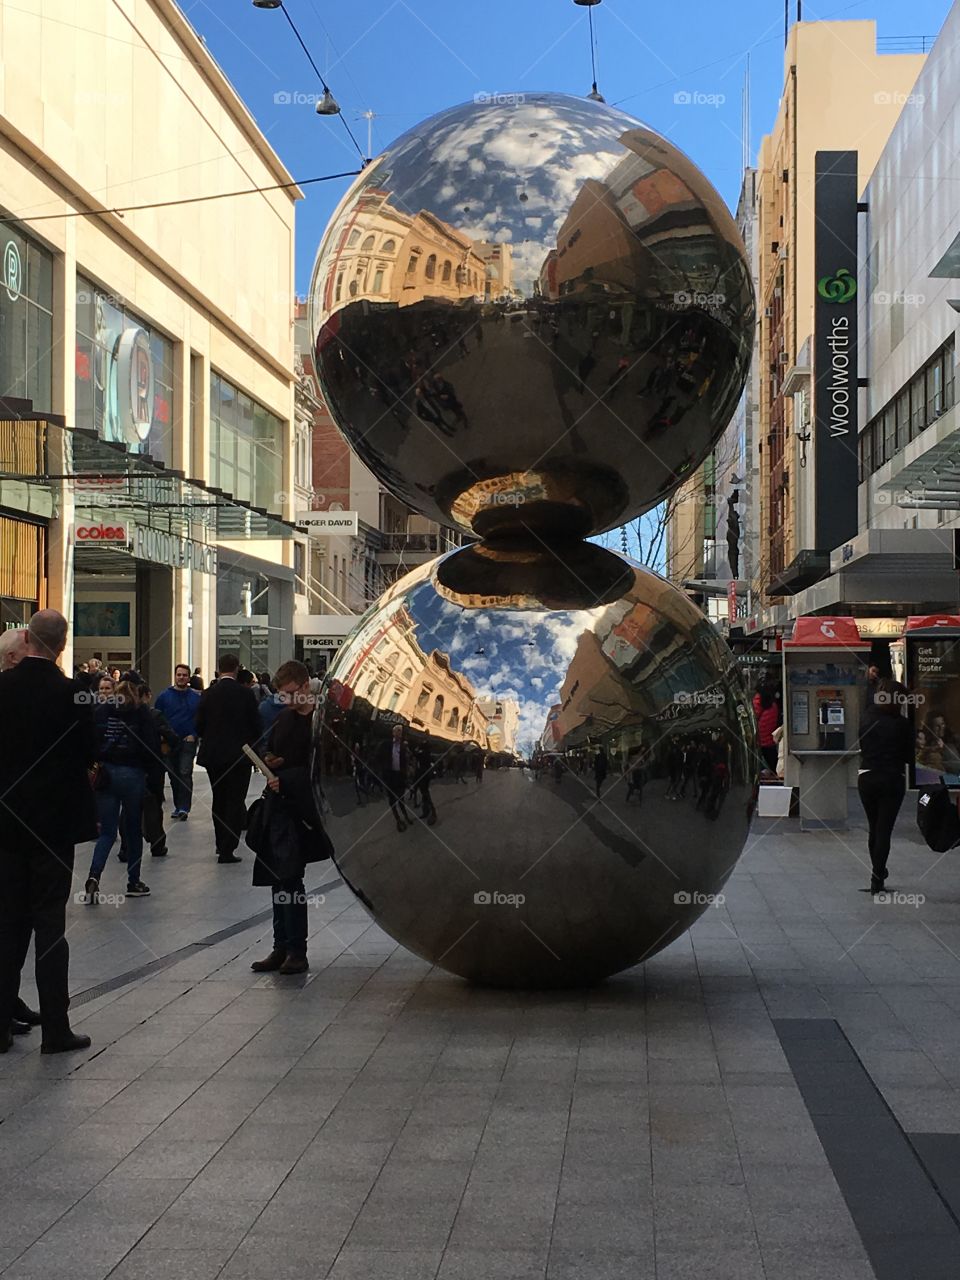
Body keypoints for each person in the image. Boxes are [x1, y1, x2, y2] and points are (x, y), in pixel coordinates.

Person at [0, 610, 97, 1054]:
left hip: (8, 824)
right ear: (62, 644)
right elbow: (89, 751)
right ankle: (56, 1028)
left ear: (27, 639)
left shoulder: (3, 687)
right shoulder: (73, 694)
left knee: (8, 924)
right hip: (54, 826)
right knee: (50, 926)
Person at [249, 661, 333, 975]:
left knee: (291, 879)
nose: (286, 700)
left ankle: (296, 950)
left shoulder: (320, 721)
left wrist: (286, 779)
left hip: (302, 811)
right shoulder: (284, 718)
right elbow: (272, 748)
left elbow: (322, 769)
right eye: (282, 695)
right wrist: (269, 759)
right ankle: (281, 946)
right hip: (279, 808)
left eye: (291, 693)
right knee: (279, 878)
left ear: (306, 685)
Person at [85, 680, 159, 902]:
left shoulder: (102, 711)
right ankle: (133, 881)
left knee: (107, 832)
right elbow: (151, 744)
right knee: (133, 829)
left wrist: (95, 762)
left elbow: (92, 741)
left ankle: (94, 875)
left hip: (106, 774)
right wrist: (151, 772)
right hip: (133, 774)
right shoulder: (141, 711)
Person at [196, 654, 262, 864]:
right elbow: (256, 725)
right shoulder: (245, 694)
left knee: (219, 798)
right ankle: (228, 847)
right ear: (236, 669)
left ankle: (219, 842)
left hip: (214, 755)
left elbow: (199, 725)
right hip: (239, 756)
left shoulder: (208, 694)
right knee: (235, 801)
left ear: (219, 669)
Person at [858, 678, 913, 895]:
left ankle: (878, 872)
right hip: (892, 778)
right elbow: (909, 756)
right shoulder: (901, 724)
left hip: (867, 776)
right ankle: (877, 876)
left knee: (874, 827)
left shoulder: (866, 717)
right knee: (884, 829)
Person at [156, 663, 201, 819]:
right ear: (175, 676)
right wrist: (162, 738)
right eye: (179, 675)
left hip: (188, 741)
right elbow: (157, 718)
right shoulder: (164, 696)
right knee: (173, 774)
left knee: (185, 772)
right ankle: (178, 805)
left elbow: (201, 719)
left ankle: (184, 808)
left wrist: (194, 735)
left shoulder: (196, 698)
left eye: (184, 675)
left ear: (189, 678)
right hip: (169, 742)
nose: (181, 677)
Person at [376, 724, 412, 832]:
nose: (399, 733)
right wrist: (382, 769)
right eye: (397, 731)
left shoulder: (403, 747)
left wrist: (406, 775)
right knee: (392, 801)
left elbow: (406, 762)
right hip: (390, 776)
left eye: (400, 731)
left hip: (400, 776)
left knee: (401, 799)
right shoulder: (387, 745)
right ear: (393, 733)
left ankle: (406, 817)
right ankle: (398, 820)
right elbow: (378, 756)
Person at [755, 687, 780, 775]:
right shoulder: (774, 706)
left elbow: (755, 716)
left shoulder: (757, 702)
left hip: (758, 740)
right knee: (774, 765)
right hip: (770, 741)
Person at [413, 736, 437, 825]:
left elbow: (415, 753)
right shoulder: (428, 753)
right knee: (425, 794)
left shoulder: (422, 753)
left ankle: (432, 812)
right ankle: (426, 811)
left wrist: (418, 748)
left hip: (422, 775)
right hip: (426, 776)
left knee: (425, 793)